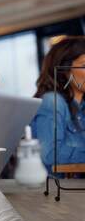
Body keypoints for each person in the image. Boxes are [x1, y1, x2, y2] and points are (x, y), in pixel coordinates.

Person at [31, 36, 85, 173]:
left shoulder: (81, 106)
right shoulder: (52, 101)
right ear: (64, 70)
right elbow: (49, 155)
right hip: (57, 190)